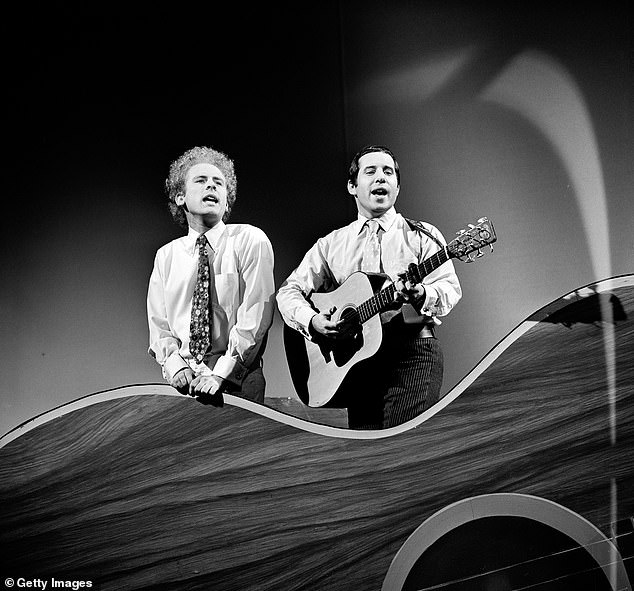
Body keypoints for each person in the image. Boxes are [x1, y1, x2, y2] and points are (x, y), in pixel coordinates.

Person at [276, 145, 461, 429]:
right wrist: (312, 321)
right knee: (370, 461)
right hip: (358, 363)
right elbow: (288, 292)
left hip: (412, 354)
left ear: (397, 187)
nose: (380, 178)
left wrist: (422, 294)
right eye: (370, 171)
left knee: (404, 449)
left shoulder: (422, 235)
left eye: (388, 172)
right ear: (352, 186)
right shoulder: (331, 244)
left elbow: (449, 290)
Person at [147, 146, 275, 405]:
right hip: (185, 384)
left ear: (227, 200)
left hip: (238, 381)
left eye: (219, 183)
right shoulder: (166, 256)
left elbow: (256, 314)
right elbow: (158, 324)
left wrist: (221, 374)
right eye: (201, 181)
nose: (212, 187)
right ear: (180, 197)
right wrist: (176, 367)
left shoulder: (250, 240)